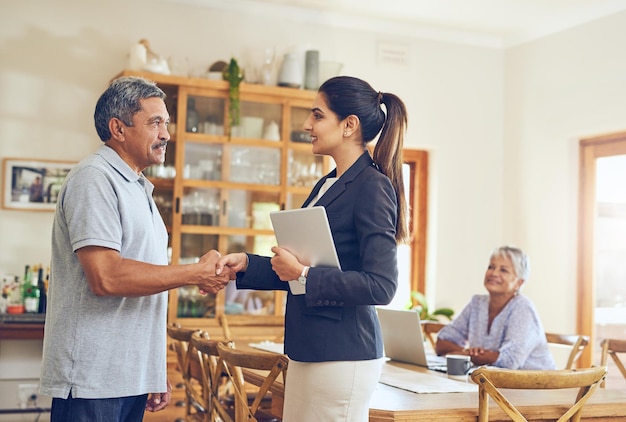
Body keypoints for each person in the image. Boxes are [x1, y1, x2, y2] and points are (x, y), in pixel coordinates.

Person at [39, 76, 233, 422]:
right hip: (92, 380)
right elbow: (107, 278)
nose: (166, 134)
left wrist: (153, 368)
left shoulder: (138, 186)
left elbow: (148, 283)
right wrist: (193, 272)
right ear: (118, 128)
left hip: (129, 376)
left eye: (167, 123)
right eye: (155, 122)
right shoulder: (94, 179)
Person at [216, 75, 409, 421]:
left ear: (349, 125)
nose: (307, 125)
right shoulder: (327, 184)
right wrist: (245, 264)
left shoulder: (372, 187)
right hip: (309, 349)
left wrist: (304, 273)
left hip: (342, 355)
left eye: (317, 115)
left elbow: (382, 285)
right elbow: (297, 268)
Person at [435, 245, 555, 370]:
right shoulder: (477, 303)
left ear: (519, 283)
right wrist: (469, 353)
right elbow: (442, 343)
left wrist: (467, 355)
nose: (494, 273)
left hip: (535, 386)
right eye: (491, 267)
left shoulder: (523, 308)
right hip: (491, 383)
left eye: (503, 270)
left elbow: (509, 361)